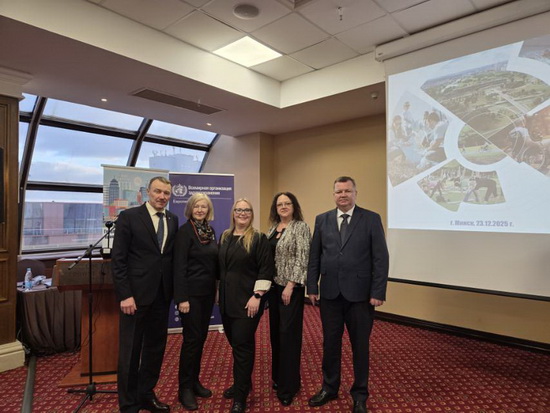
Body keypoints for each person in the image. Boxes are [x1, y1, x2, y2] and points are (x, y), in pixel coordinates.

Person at [307, 176, 389, 413]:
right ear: (333, 195)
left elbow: (381, 258)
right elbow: (315, 256)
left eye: (347, 191)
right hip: (330, 295)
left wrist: (378, 291)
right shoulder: (322, 219)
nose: (343, 195)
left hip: (361, 297)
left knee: (360, 347)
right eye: (338, 191)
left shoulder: (371, 219)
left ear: (355, 193)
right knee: (330, 344)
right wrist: (312, 287)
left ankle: (360, 394)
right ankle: (329, 387)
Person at [112, 176, 179, 413]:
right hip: (135, 298)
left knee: (155, 348)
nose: (162, 196)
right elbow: (118, 260)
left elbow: (167, 258)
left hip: (161, 296)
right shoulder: (129, 217)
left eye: (166, 193)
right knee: (130, 351)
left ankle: (146, 394)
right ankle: (129, 404)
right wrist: (125, 295)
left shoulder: (172, 219)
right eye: (158, 191)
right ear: (148, 192)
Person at [218, 199, 274, 413]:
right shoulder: (225, 236)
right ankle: (243, 382)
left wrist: (257, 296)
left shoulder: (258, 238)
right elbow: (221, 269)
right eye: (239, 210)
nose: (242, 213)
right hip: (226, 301)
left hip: (248, 302)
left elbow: (266, 269)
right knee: (235, 344)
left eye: (247, 210)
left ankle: (240, 397)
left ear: (251, 214)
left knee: (242, 346)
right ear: (233, 213)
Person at [173, 193, 218, 411]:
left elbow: (214, 264)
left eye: (204, 206)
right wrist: (182, 298)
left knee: (200, 339)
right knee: (191, 341)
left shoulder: (210, 231)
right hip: (190, 297)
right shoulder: (184, 232)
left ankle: (194, 381)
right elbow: (179, 267)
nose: (200, 210)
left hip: (207, 294)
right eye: (196, 206)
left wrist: (217, 289)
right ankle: (184, 389)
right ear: (190, 209)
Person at [266, 192, 311, 406]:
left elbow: (303, 258)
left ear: (294, 206)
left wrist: (291, 285)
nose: (283, 207)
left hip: (290, 290)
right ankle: (278, 378)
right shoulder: (272, 229)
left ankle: (289, 386)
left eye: (287, 203)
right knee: (275, 334)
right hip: (274, 289)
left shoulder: (300, 227)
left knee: (288, 336)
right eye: (279, 204)